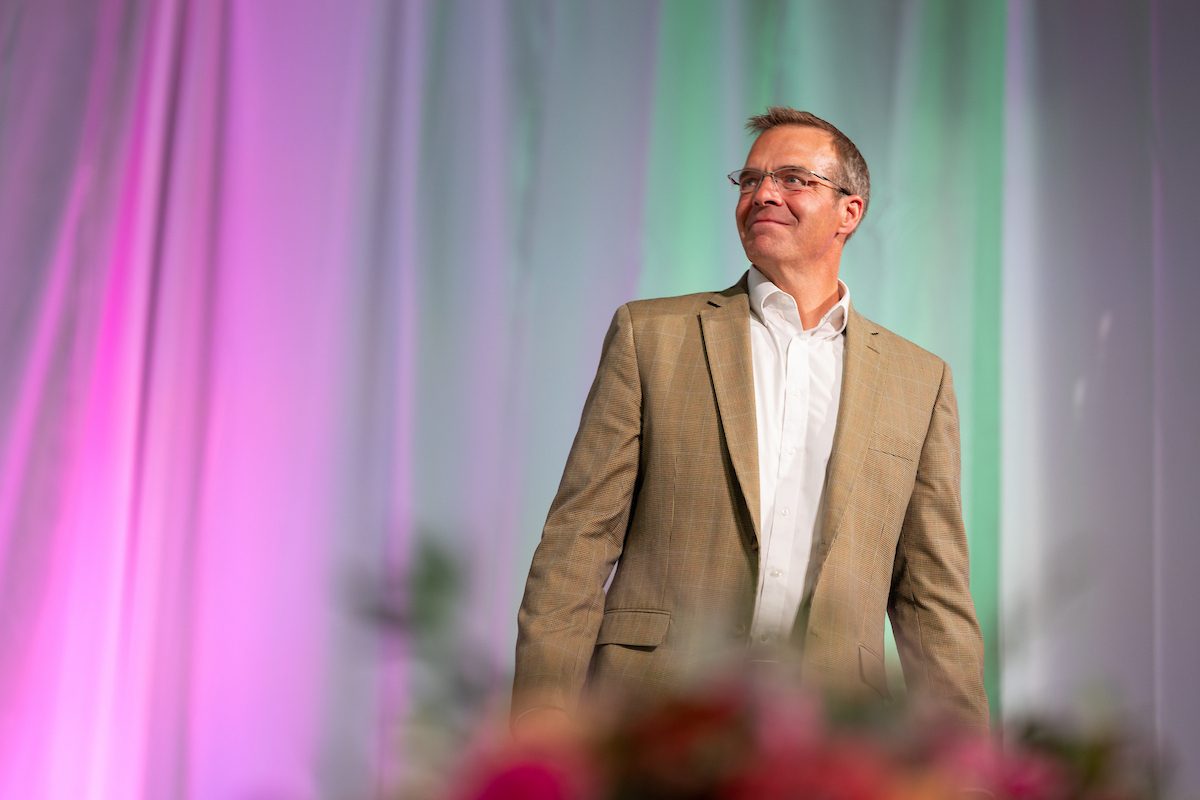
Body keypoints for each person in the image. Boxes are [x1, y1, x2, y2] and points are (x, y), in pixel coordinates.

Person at [512, 107, 988, 739]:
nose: (763, 194)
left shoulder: (918, 380)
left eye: (794, 179)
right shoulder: (650, 336)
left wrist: (970, 770)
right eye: (751, 179)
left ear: (850, 212)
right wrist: (540, 728)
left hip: (828, 738)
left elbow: (934, 598)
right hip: (654, 718)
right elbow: (577, 543)